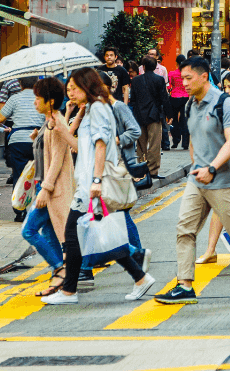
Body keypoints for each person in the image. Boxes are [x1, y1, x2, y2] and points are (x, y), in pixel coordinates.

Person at [153, 58, 230, 305]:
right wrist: (196, 166)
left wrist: (212, 167)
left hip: (223, 179)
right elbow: (193, 140)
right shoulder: (190, 105)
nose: (184, 83)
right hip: (198, 180)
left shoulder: (225, 103)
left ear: (203, 77)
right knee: (185, 229)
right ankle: (185, 285)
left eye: (189, 79)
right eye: (183, 78)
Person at [40, 68, 155, 305]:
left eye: (73, 87)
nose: (69, 91)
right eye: (68, 87)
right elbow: (81, 148)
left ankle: (70, 291)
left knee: (74, 235)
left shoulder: (100, 109)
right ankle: (139, 277)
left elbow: (101, 145)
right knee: (95, 236)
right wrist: (63, 129)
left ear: (86, 86)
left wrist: (96, 181)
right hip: (87, 182)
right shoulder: (90, 109)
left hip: (92, 185)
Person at [22, 77, 74, 298]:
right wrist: (38, 137)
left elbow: (57, 160)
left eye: (38, 98)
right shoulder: (49, 121)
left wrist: (46, 188)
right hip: (47, 189)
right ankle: (59, 275)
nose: (35, 102)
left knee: (29, 230)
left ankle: (61, 270)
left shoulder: (57, 123)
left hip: (53, 191)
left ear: (50, 101)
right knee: (49, 232)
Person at [195, 70, 230, 265]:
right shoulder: (227, 105)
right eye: (224, 87)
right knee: (221, 208)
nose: (226, 91)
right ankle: (211, 249)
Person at [0, 77, 46, 222]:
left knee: (19, 175)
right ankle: (38, 210)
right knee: (39, 175)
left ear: (20, 84)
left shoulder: (14, 98)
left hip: (17, 141)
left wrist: (14, 116)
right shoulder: (41, 98)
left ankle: (20, 211)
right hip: (37, 140)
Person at [130, 56, 168, 181]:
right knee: (154, 144)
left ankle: (142, 168)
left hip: (139, 115)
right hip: (154, 114)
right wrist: (168, 115)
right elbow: (164, 98)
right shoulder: (159, 79)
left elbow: (133, 99)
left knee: (141, 144)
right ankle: (153, 170)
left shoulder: (135, 80)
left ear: (143, 67)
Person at [168, 55, 190, 151]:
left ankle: (175, 141)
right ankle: (185, 143)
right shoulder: (188, 74)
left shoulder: (172, 73)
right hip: (185, 97)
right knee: (184, 120)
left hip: (174, 97)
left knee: (174, 120)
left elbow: (169, 86)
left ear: (176, 63)